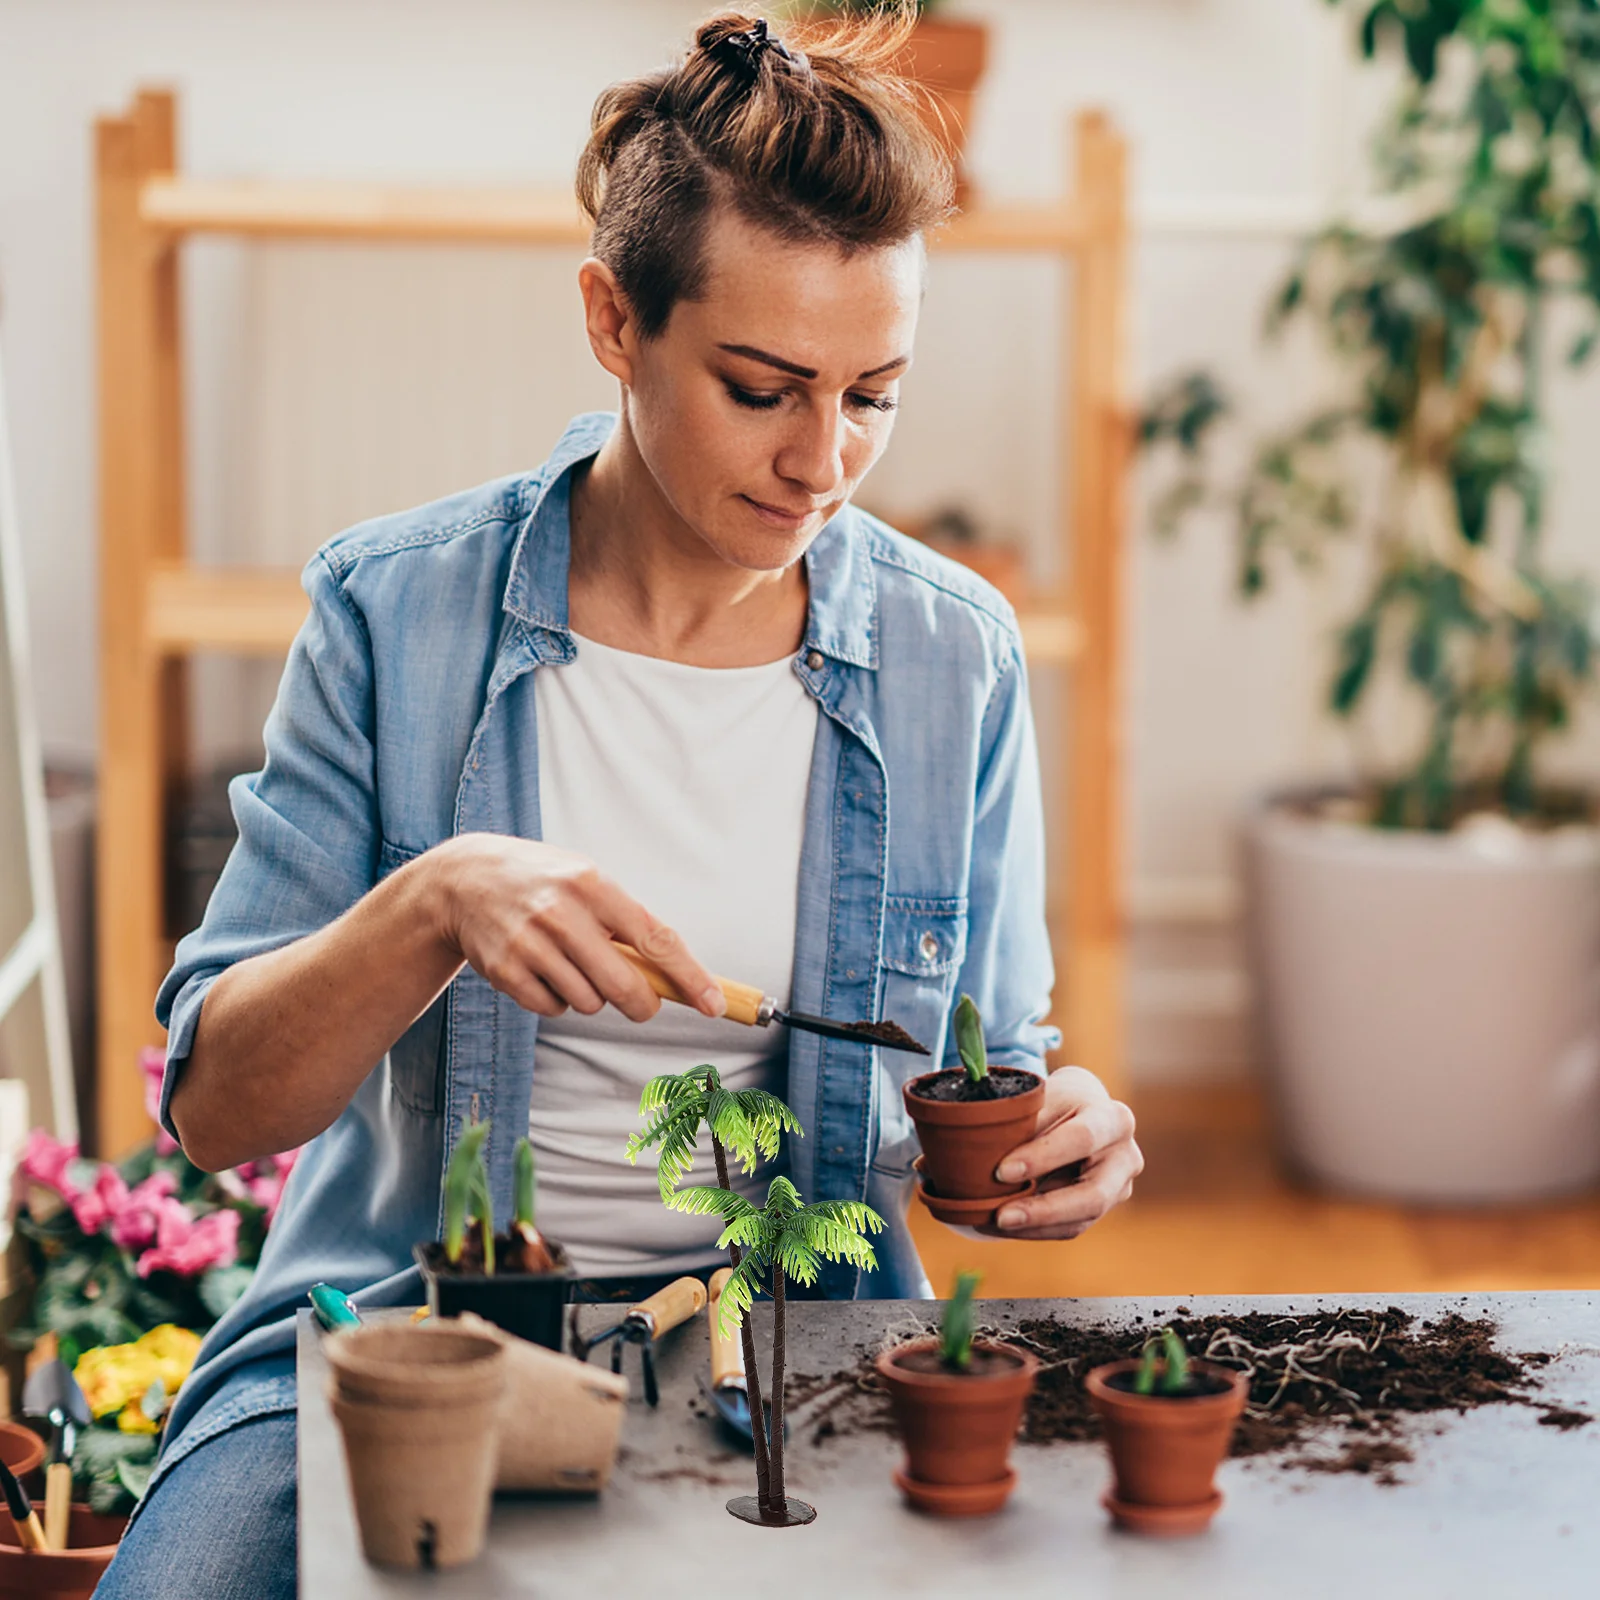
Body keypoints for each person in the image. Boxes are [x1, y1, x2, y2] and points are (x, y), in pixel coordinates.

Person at [96, 9, 1142, 1595]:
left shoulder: (951, 659)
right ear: (613, 318)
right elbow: (219, 1109)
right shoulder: (397, 614)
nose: (822, 464)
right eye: (763, 386)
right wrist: (431, 903)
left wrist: (1061, 1139)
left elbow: (985, 1087)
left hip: (801, 1358)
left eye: (875, 396)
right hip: (400, 1337)